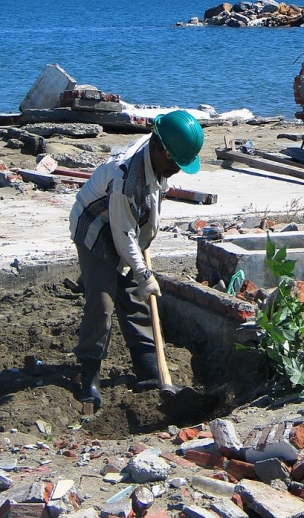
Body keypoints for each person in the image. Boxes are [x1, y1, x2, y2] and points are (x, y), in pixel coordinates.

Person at [69, 109, 204, 409]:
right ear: (158, 149)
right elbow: (121, 236)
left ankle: (149, 369)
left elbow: (143, 214)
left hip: (126, 226)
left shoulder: (158, 154)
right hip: (96, 228)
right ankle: (89, 376)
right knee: (102, 302)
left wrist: (141, 271)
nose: (178, 170)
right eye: (175, 162)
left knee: (133, 299)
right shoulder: (125, 177)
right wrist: (144, 274)